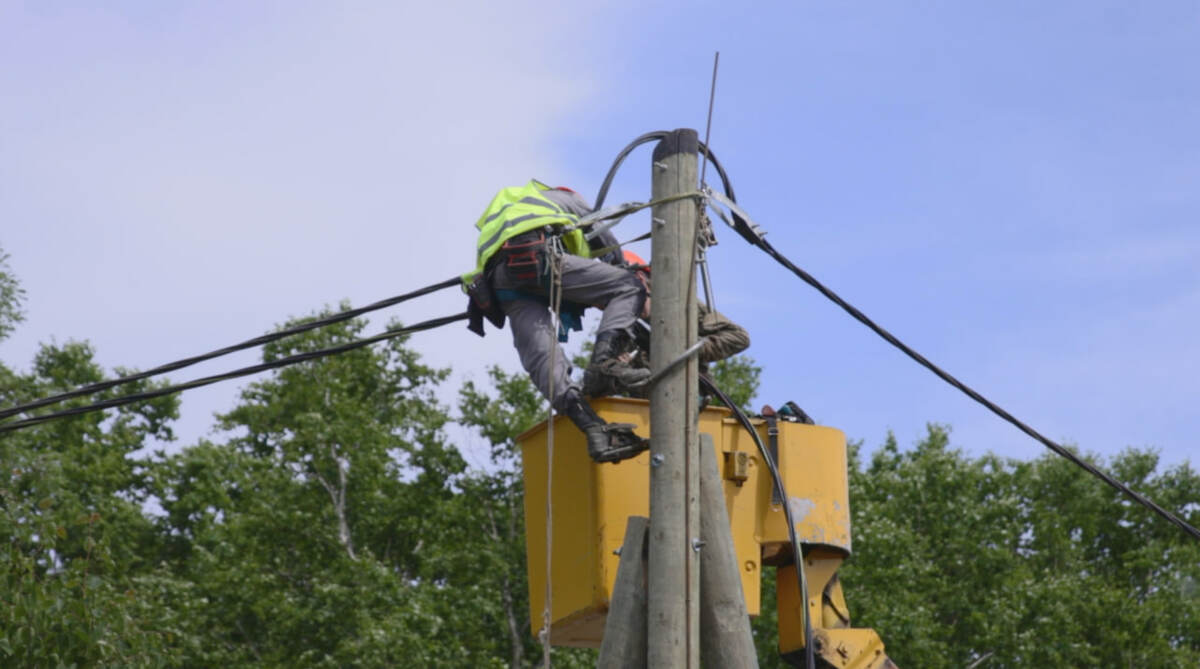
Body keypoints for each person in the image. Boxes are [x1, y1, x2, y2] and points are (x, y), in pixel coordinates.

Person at [463, 180, 650, 463]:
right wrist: (623, 282)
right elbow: (602, 237)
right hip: (538, 257)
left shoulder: (500, 217)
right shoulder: (561, 197)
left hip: (502, 283)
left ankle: (594, 430)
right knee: (629, 287)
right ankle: (606, 365)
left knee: (544, 362)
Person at [592, 250, 750, 399]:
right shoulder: (619, 324)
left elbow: (738, 337)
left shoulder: (679, 305)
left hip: (688, 398)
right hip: (647, 405)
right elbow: (596, 383)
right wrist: (619, 370)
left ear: (641, 279)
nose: (617, 307)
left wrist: (678, 344)